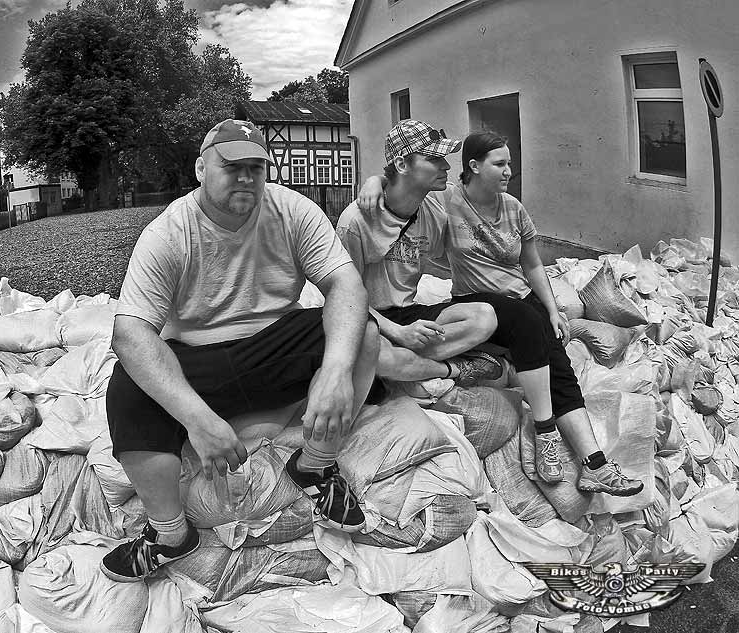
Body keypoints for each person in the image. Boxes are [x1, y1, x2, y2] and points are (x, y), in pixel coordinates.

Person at [101, 119, 379, 583]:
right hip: (197, 360)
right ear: (200, 168)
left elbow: (345, 283)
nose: (247, 177)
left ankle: (315, 465)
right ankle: (169, 534)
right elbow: (130, 332)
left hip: (271, 349)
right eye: (232, 166)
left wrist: (334, 371)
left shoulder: (293, 211)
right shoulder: (170, 232)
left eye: (256, 167)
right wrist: (197, 419)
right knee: (129, 384)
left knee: (363, 335)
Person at [356, 125, 642, 497]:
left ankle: (594, 464)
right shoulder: (445, 201)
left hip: (520, 301)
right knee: (526, 324)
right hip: (475, 299)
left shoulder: (514, 208)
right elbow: (403, 185)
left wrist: (555, 310)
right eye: (501, 163)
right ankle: (545, 429)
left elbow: (533, 265)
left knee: (556, 359)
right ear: (473, 166)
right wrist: (372, 181)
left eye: (511, 164)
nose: (509, 171)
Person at [336, 120, 503, 389]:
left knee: (484, 316)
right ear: (402, 165)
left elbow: (451, 261)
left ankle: (405, 366)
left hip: (409, 314)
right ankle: (453, 368)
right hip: (368, 320)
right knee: (372, 352)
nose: (446, 167)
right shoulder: (355, 221)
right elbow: (343, 300)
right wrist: (399, 333)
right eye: (434, 159)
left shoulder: (433, 211)